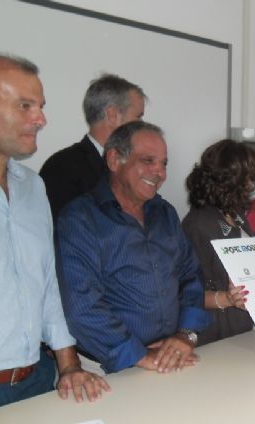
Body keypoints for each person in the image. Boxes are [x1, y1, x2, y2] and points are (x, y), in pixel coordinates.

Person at [0, 53, 109, 416]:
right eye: (24, 106)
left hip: (37, 381)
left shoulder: (32, 186)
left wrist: (69, 365)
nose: (41, 119)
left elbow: (45, 281)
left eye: (40, 106)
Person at [56, 120, 210, 374]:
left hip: (170, 357)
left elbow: (190, 277)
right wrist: (139, 355)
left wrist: (185, 334)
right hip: (108, 367)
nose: (160, 173)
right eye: (148, 161)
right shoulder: (80, 219)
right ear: (114, 160)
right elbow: (81, 305)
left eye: (163, 164)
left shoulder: (165, 213)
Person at [40, 74, 146, 219]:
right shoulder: (61, 169)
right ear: (113, 115)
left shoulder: (136, 166)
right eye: (138, 117)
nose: (142, 125)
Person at [182, 139, 255, 345]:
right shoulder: (197, 224)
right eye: (246, 176)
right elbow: (185, 293)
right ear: (230, 179)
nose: (250, 184)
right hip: (217, 332)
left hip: (242, 324)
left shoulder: (236, 213)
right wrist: (227, 298)